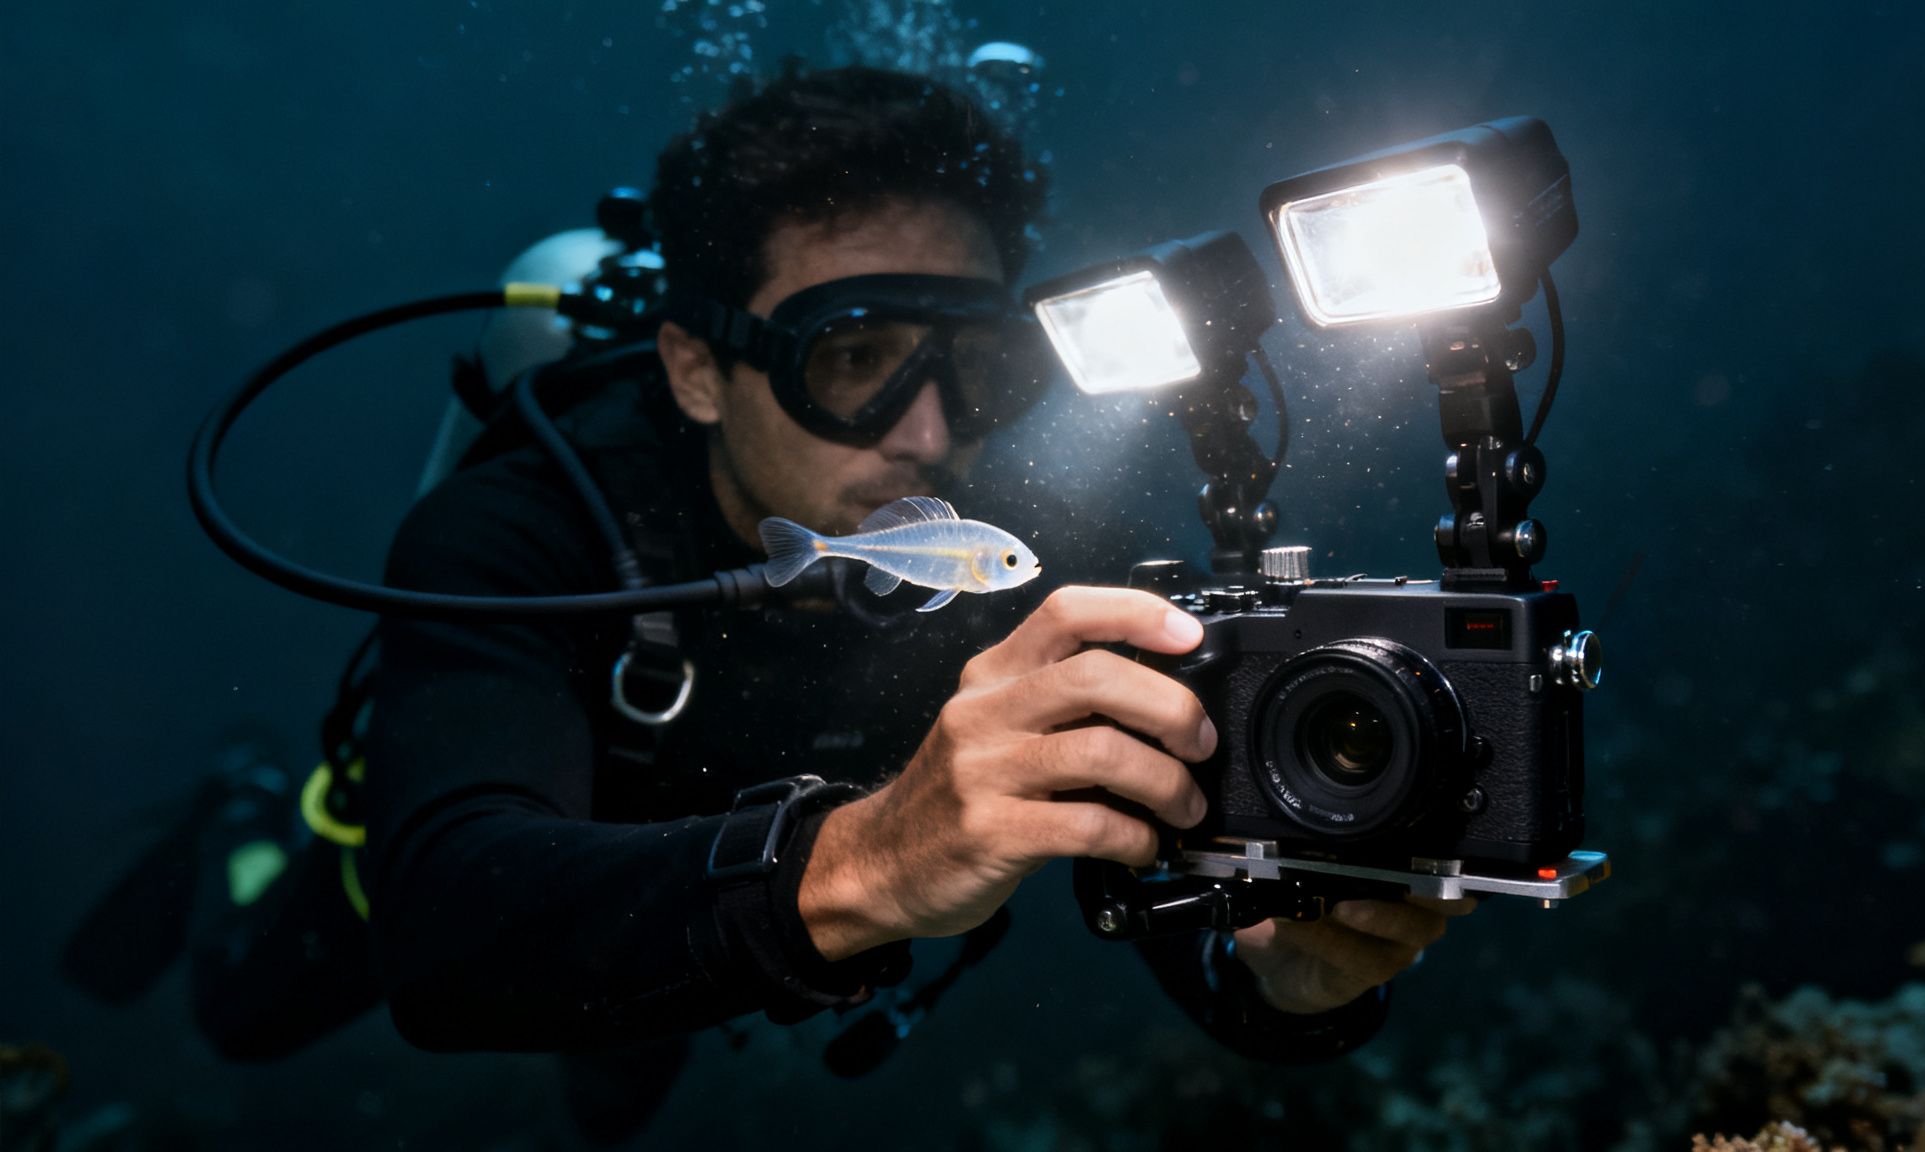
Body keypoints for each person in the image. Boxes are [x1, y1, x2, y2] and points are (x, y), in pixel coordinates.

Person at [363, 64, 1472, 1139]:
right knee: (305, 1005)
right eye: (853, 359)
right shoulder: (522, 531)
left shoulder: (1042, 564)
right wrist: (869, 863)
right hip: (547, 897)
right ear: (696, 369)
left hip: (699, 934)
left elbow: (1198, 916)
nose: (928, 432)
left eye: (975, 367)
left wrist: (1290, 978)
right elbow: (441, 936)